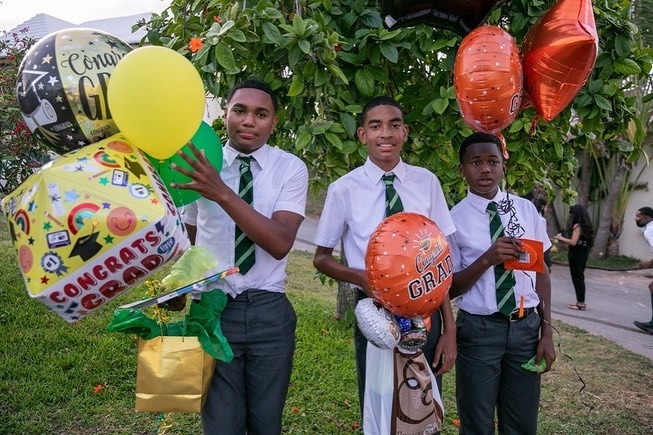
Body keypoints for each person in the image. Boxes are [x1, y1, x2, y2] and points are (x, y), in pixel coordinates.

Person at [170, 78, 309, 434]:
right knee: (221, 425)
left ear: (274, 122)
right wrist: (179, 284)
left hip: (269, 312)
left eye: (261, 114)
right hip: (212, 309)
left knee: (266, 424)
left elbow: (280, 242)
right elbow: (192, 238)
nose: (249, 121)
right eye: (240, 110)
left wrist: (221, 191)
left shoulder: (290, 168)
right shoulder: (201, 164)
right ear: (226, 115)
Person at [312, 96, 457, 415]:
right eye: (376, 126)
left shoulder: (426, 182)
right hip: (375, 313)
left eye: (394, 125)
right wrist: (362, 278)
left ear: (405, 132)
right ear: (362, 134)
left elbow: (440, 263)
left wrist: (449, 329)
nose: (386, 134)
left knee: (424, 406)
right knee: (380, 405)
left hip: (425, 314)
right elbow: (321, 258)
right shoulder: (344, 189)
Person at [447, 132, 556, 435]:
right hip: (479, 331)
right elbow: (450, 288)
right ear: (462, 170)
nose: (485, 169)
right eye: (476, 162)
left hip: (525, 329)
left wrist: (547, 331)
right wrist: (486, 259)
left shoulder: (525, 210)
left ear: (503, 167)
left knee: (521, 423)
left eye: (493, 162)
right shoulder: (453, 221)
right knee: (477, 422)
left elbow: (541, 273)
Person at [554, 204, 594, 310]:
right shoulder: (585, 226)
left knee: (578, 278)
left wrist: (560, 238)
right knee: (579, 277)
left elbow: (573, 242)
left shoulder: (577, 226)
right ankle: (580, 301)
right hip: (583, 253)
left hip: (576, 254)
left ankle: (580, 303)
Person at [634, 206, 653, 334]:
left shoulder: (649, 231)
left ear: (645, 217)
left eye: (638, 216)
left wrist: (649, 263)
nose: (636, 219)